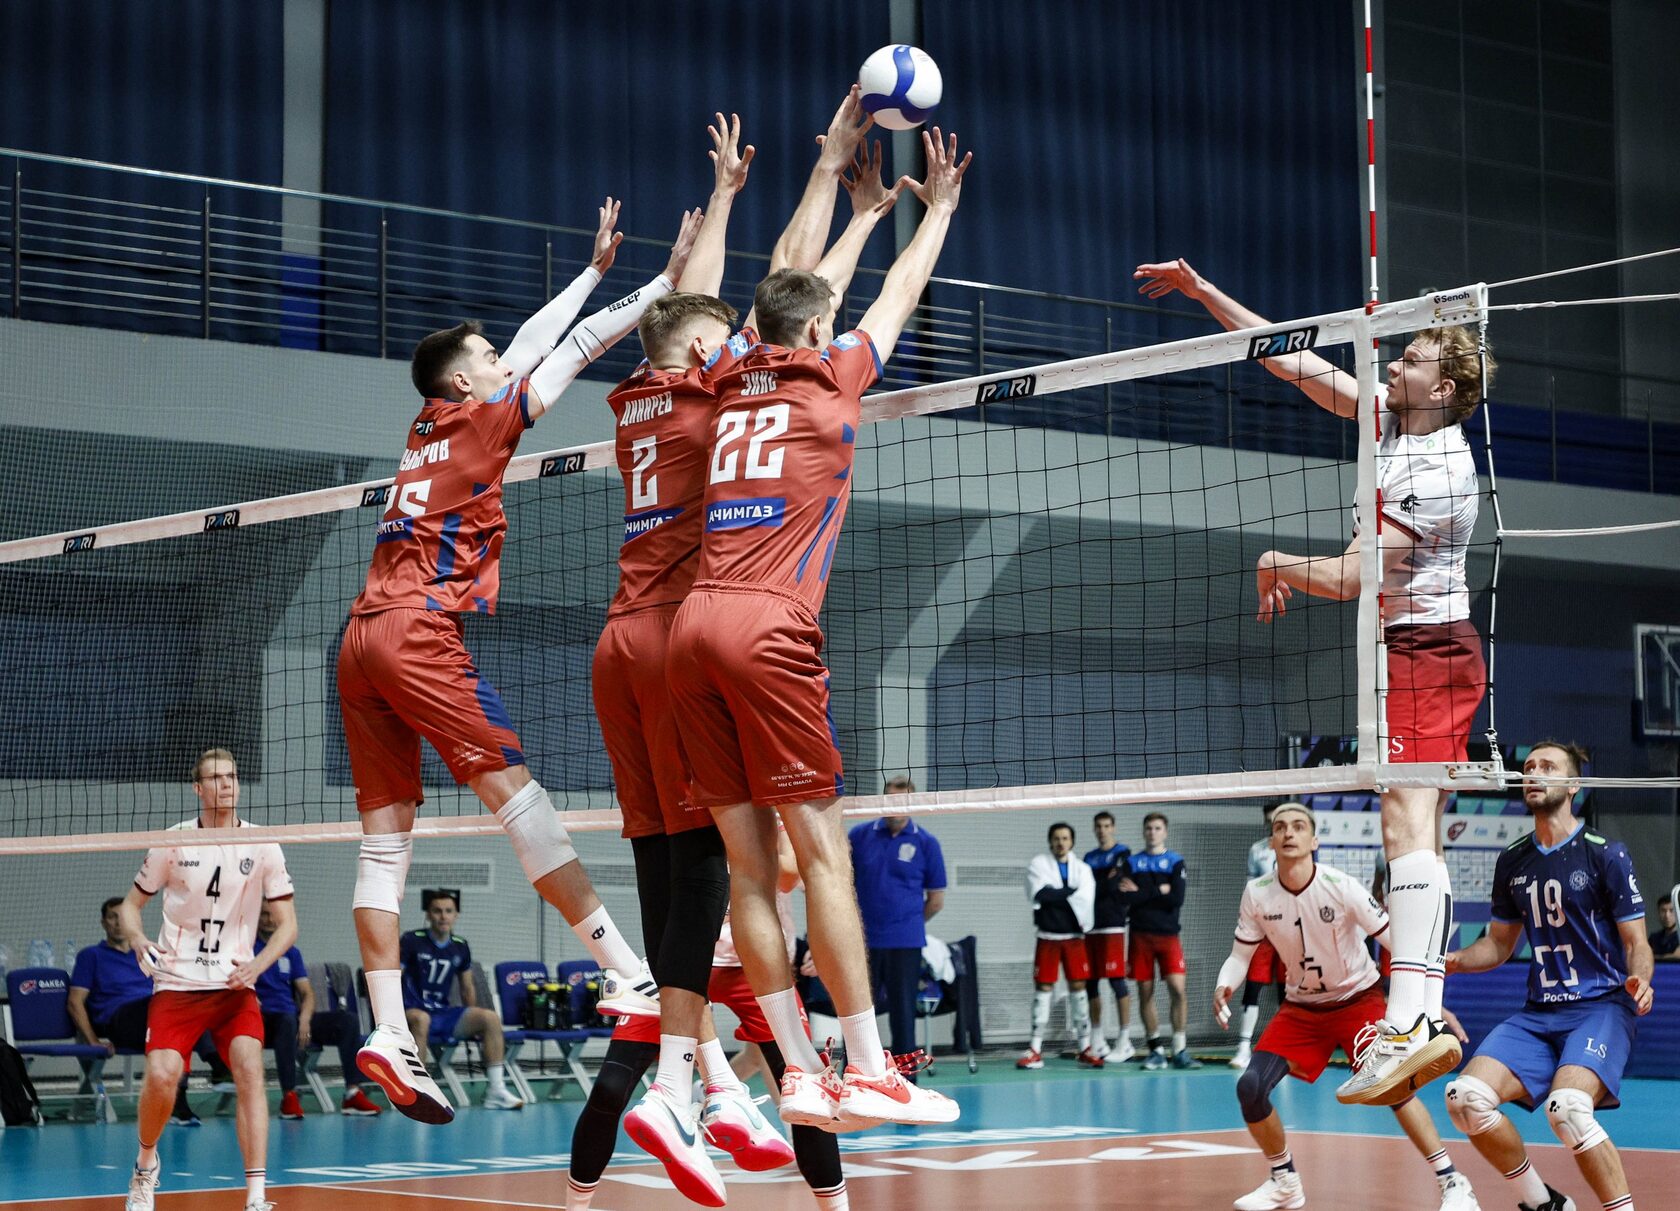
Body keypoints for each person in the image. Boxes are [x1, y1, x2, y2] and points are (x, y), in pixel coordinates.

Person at [338, 202, 703, 1125]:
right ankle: (626, 970)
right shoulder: (479, 420)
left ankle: (388, 1030)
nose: (506, 358)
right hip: (418, 632)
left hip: (358, 639)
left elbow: (533, 342)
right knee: (520, 799)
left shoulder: (429, 422)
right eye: (489, 354)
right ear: (467, 378)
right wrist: (660, 284)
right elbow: (568, 345)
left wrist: (591, 268)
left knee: (384, 845)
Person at [598, 96, 891, 1174]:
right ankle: (699, 1081)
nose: (734, 339)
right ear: (702, 349)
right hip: (700, 631)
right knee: (726, 872)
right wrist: (838, 194)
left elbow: (733, 299)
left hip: (624, 643)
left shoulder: (643, 392)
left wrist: (737, 194)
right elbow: (785, 292)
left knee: (674, 864)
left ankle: (701, 1079)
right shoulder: (720, 387)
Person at [666, 123, 971, 1132]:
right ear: (819, 331)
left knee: (750, 868)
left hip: (692, 625)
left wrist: (841, 189)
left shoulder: (726, 371)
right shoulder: (833, 373)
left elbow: (782, 280)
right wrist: (934, 215)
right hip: (768, 626)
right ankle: (871, 1066)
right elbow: (896, 296)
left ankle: (798, 1071)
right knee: (821, 850)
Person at [1134, 257, 1494, 1106]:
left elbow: (1355, 575)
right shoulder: (1395, 423)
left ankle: (1411, 1016)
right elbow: (1294, 362)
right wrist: (1205, 291)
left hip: (1429, 648)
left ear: (1443, 388)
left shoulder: (1434, 469)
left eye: (1410, 358)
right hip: (1408, 647)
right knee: (1410, 822)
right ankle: (1420, 1014)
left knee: (1406, 820)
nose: (1393, 364)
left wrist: (1273, 560)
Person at [1213, 803, 1480, 1211]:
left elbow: (1399, 942)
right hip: (1301, 1009)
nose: (1288, 833)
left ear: (1314, 840)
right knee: (1250, 1088)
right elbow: (1239, 956)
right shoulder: (1257, 893)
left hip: (1358, 1000)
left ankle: (1453, 1180)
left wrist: (1431, 1001)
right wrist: (1224, 983)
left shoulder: (1341, 886)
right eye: (1280, 827)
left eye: (1298, 826)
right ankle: (1284, 1180)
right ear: (1271, 841)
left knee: (1393, 1086)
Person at [569, 834, 850, 1211]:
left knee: (807, 1096)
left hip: (755, 963)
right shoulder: (677, 807)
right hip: (678, 958)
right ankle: (576, 1205)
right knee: (609, 1089)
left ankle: (835, 1205)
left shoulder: (765, 811)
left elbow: (789, 873)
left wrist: (734, 828)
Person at [1443, 740, 1653, 1211]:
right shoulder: (1513, 859)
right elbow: (1499, 945)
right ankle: (1543, 1203)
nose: (1533, 773)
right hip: (1539, 1013)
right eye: (1529, 766)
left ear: (1573, 784)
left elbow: (1636, 943)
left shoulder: (1605, 853)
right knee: (1465, 1098)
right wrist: (1455, 959)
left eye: (1547, 766)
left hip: (1600, 1006)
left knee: (1569, 1110)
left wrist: (1640, 978)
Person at [119, 748, 297, 1211]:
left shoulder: (263, 843)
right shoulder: (173, 841)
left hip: (235, 987)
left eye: (232, 776)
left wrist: (258, 964)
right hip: (177, 982)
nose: (226, 784)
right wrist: (138, 939)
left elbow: (289, 926)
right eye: (216, 778)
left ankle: (256, 1196)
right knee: (163, 1076)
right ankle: (145, 1165)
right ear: (198, 789)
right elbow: (130, 906)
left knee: (250, 1069)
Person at [850, 776, 947, 1066]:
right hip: (862, 942)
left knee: (903, 1014)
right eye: (891, 800)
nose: (896, 808)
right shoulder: (858, 836)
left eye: (903, 801)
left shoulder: (927, 843)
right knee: (857, 1014)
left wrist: (907, 923)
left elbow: (936, 901)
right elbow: (842, 886)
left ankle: (907, 1078)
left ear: (913, 803)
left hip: (906, 943)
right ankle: (857, 1074)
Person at [398, 889, 521, 1110]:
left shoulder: (460, 945)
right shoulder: (411, 940)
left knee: (490, 1018)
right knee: (422, 1019)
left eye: (448, 911)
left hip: (442, 1013)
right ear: (428, 914)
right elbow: (393, 976)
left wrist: (470, 1016)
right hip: (412, 1011)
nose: (443, 916)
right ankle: (417, 1092)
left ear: (456, 915)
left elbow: (467, 986)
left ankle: (496, 1091)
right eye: (437, 911)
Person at [1019, 822, 1096, 1070]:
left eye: (1065, 838)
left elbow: (1084, 899)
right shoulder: (1038, 864)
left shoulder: (1083, 869)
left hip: (1074, 938)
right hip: (1048, 937)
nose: (1061, 843)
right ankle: (1035, 1049)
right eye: (1056, 838)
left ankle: (1085, 1047)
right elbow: (1040, 894)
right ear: (1050, 841)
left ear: (1072, 841)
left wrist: (1055, 894)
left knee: (1079, 988)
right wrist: (1069, 893)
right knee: (1043, 989)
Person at [1128, 811, 1198, 1070]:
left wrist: (1142, 892)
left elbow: (1177, 899)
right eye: (1149, 828)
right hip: (1140, 935)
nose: (1152, 832)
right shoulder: (1132, 862)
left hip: (1169, 936)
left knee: (1178, 990)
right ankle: (1156, 1050)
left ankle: (1179, 1050)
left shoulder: (1176, 862)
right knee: (1145, 992)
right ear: (1143, 831)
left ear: (1165, 832)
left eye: (1157, 828)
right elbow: (1125, 898)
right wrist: (1160, 890)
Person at [1232, 804, 1289, 1071]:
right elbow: (1250, 889)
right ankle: (1244, 1047)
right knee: (1253, 986)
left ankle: (1284, 1048)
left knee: (1287, 991)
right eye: (1269, 820)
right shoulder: (1257, 850)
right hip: (1263, 929)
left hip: (1290, 931)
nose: (1273, 824)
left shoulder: (1296, 848)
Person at [249, 903, 314, 1121]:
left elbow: (307, 993)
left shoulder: (291, 952)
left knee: (346, 1022)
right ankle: (254, 1098)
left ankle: (289, 1097)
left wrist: (305, 1019)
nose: (269, 920)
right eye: (264, 914)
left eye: (273, 915)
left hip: (285, 1019)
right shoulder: (246, 948)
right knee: (283, 1022)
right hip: (256, 1016)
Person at [1083, 810, 1135, 1063]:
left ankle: (1125, 1041)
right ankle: (1097, 1040)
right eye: (1099, 826)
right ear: (1094, 829)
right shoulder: (1089, 857)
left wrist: (1099, 884)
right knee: (1091, 982)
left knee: (1117, 981)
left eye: (1106, 826)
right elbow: (1087, 888)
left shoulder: (1123, 853)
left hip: (1113, 925)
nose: (1102, 830)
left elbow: (1114, 885)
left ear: (1113, 828)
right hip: (1090, 925)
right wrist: (1104, 881)